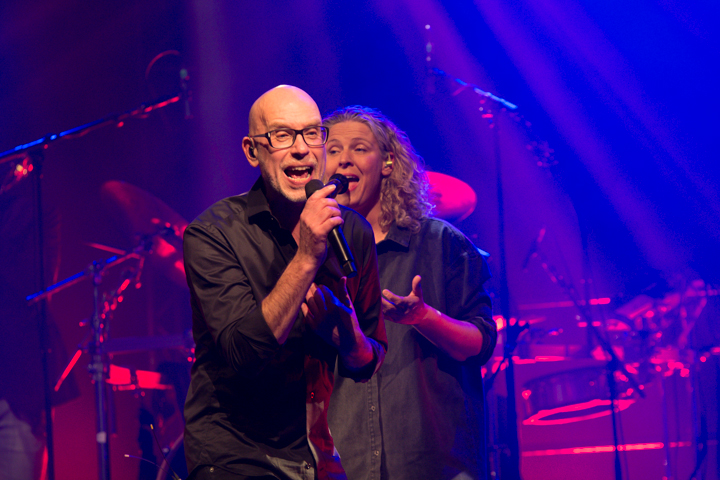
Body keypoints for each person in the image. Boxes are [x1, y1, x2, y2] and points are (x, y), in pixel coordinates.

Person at [182, 86, 387, 480]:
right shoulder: (213, 234)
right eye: (281, 136)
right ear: (251, 151)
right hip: (234, 457)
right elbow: (245, 353)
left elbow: (369, 360)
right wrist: (308, 256)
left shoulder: (352, 232)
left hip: (317, 457)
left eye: (312, 133)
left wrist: (349, 335)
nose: (301, 149)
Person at [324, 106, 498, 480]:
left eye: (358, 148)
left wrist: (423, 317)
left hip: (434, 466)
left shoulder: (440, 243)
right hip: (346, 465)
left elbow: (481, 343)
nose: (343, 160)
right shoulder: (312, 259)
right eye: (333, 150)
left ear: (387, 162)